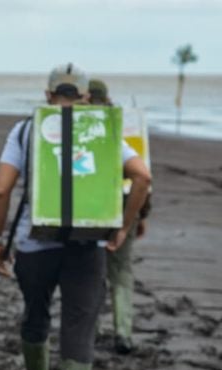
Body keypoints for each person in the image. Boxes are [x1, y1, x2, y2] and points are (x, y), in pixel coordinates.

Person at [0, 64, 151, 370]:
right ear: (83, 97)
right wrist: (123, 226)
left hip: (35, 247)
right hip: (87, 248)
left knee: (35, 317)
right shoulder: (102, 128)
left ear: (48, 95)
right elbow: (142, 176)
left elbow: (0, 190)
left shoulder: (26, 129)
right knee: (79, 327)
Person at [89, 79, 152, 355]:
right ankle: (123, 331)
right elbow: (143, 172)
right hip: (128, 202)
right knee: (122, 272)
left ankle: (91, 329)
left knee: (92, 271)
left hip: (93, 205)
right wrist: (139, 215)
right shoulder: (123, 125)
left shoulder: (82, 125)